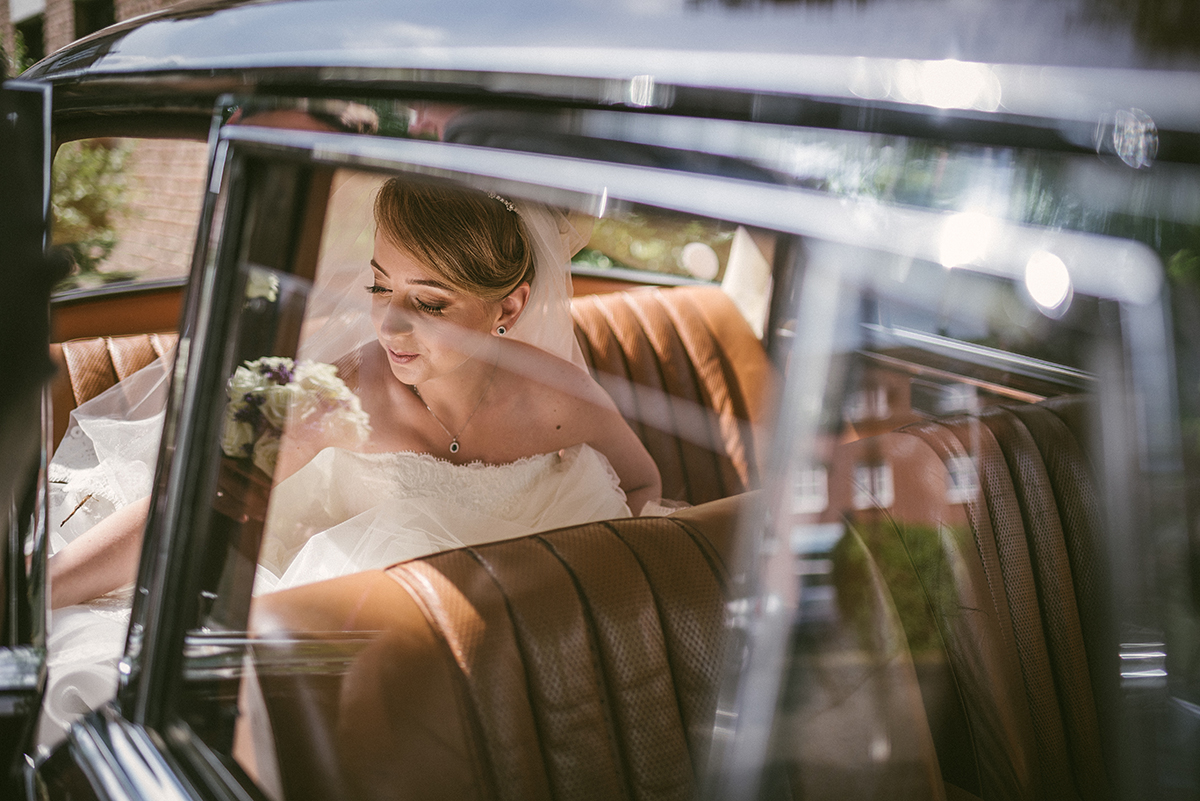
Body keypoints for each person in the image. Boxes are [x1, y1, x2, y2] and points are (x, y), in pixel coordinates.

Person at [39, 175, 663, 746]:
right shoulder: (340, 392)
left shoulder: (559, 399)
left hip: (520, 654)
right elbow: (193, 497)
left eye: (430, 303)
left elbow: (639, 480)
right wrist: (43, 590)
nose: (389, 325)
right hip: (364, 647)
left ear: (509, 308)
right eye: (378, 286)